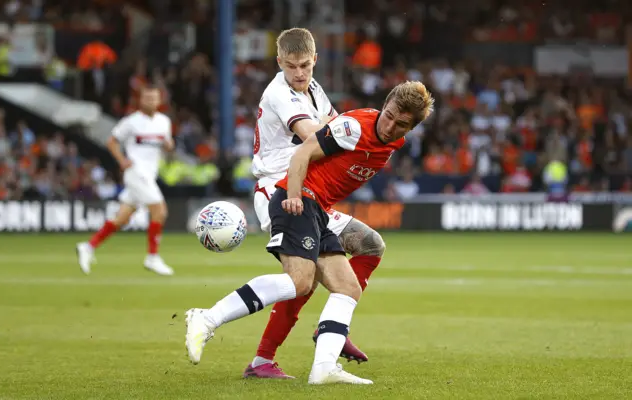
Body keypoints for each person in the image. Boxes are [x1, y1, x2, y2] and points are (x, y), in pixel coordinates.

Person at [185, 80, 434, 385]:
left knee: (348, 285)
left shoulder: (396, 142)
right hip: (298, 199)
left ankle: (324, 366)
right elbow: (303, 153)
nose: (390, 124)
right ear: (385, 104)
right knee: (300, 281)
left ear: (411, 128)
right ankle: (207, 318)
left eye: (401, 124)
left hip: (319, 211)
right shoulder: (354, 127)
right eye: (389, 114)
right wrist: (292, 195)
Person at [245, 27, 384, 380]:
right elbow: (318, 137)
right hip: (280, 191)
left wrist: (330, 125)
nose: (299, 73)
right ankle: (263, 358)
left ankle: (335, 327)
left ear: (315, 61)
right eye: (291, 66)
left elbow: (335, 128)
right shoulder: (279, 93)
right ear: (280, 63)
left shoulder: (315, 90)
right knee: (301, 279)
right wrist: (327, 125)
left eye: (305, 65)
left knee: (370, 245)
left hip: (310, 192)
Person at [75, 86, 175, 276]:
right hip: (136, 172)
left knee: (122, 218)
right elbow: (111, 141)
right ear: (140, 100)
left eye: (154, 98)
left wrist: (169, 145)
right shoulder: (131, 122)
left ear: (159, 100)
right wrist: (122, 160)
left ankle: (88, 247)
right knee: (160, 210)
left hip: (150, 173)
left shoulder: (164, 121)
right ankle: (152, 257)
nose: (150, 101)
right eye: (147, 98)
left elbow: (167, 145)